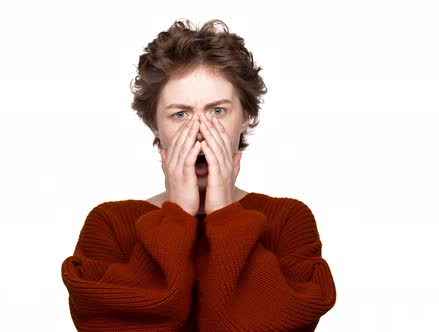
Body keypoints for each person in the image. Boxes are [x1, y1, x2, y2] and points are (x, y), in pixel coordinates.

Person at [61, 19, 336, 331]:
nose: (200, 132)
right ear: (154, 125)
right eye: (181, 114)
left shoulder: (287, 219)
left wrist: (225, 215)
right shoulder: (110, 222)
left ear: (246, 117)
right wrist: (176, 216)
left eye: (218, 111)